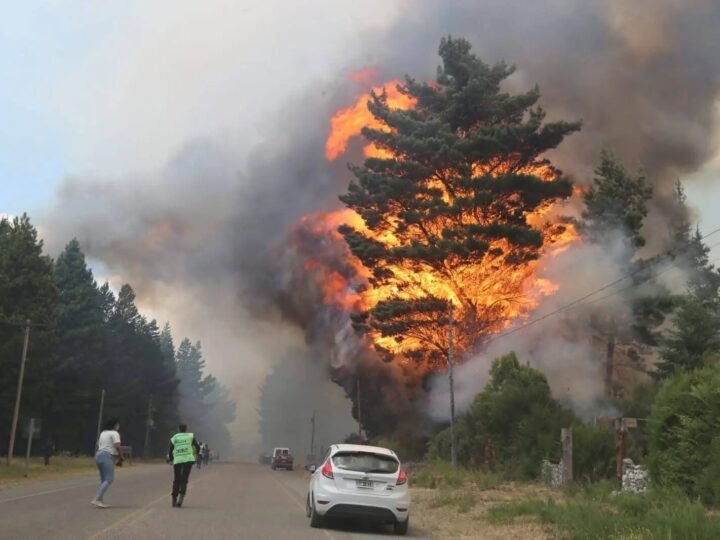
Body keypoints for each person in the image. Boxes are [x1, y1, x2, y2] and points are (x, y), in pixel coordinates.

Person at [91, 418, 122, 508]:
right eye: (117, 424)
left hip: (98, 455)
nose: (118, 426)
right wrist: (121, 456)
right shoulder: (114, 433)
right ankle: (96, 499)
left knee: (103, 479)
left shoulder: (103, 433)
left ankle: (100, 501)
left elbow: (99, 444)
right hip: (107, 456)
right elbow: (117, 445)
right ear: (115, 425)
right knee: (109, 479)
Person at [168, 423, 201, 508]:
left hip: (178, 459)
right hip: (188, 459)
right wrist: (195, 455)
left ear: (179, 429)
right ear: (186, 429)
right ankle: (181, 499)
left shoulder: (175, 437)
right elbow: (197, 447)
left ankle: (174, 500)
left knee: (176, 480)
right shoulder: (190, 436)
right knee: (184, 480)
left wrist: (172, 459)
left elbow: (170, 449)